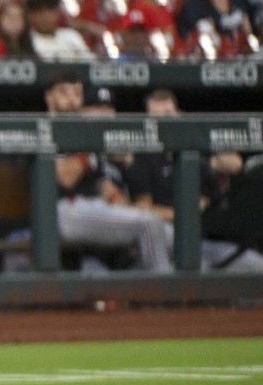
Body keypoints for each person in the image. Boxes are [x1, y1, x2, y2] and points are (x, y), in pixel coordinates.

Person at [45, 71, 172, 273]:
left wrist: (126, 207)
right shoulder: (43, 129)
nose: (71, 100)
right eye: (64, 93)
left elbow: (103, 184)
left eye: (77, 94)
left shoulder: (80, 134)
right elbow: (65, 178)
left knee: (168, 233)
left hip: (93, 207)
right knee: (149, 225)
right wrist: (94, 147)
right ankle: (167, 296)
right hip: (59, 211)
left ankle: (145, 294)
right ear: (49, 97)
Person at [124, 89, 263, 272]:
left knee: (256, 266)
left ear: (180, 115)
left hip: (207, 240)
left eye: (168, 114)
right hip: (169, 239)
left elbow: (230, 173)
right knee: (201, 269)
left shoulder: (197, 154)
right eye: (156, 117)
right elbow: (145, 209)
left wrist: (220, 157)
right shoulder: (143, 159)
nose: (164, 122)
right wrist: (186, 214)